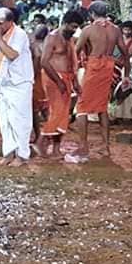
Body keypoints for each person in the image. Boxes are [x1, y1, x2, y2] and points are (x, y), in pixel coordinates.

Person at [0, 7, 34, 166]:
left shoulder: (19, 34)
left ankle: (22, 155)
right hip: (3, 83)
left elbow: (11, 54)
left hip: (19, 83)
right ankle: (9, 153)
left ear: (10, 22)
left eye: (0, 23)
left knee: (20, 121)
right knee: (5, 121)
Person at [71, 1, 124, 161]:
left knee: (81, 107)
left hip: (94, 65)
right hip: (109, 65)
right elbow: (125, 53)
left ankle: (83, 146)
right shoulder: (115, 29)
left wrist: (72, 71)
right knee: (102, 108)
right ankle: (106, 147)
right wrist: (126, 74)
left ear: (92, 14)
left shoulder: (88, 29)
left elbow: (75, 51)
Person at [37, 10, 82, 158]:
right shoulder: (52, 38)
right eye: (73, 26)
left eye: (77, 27)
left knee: (64, 114)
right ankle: (41, 142)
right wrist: (59, 81)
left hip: (67, 78)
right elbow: (44, 61)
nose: (74, 30)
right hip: (53, 79)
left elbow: (72, 62)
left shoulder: (69, 39)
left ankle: (56, 148)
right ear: (65, 23)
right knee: (57, 112)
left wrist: (75, 82)